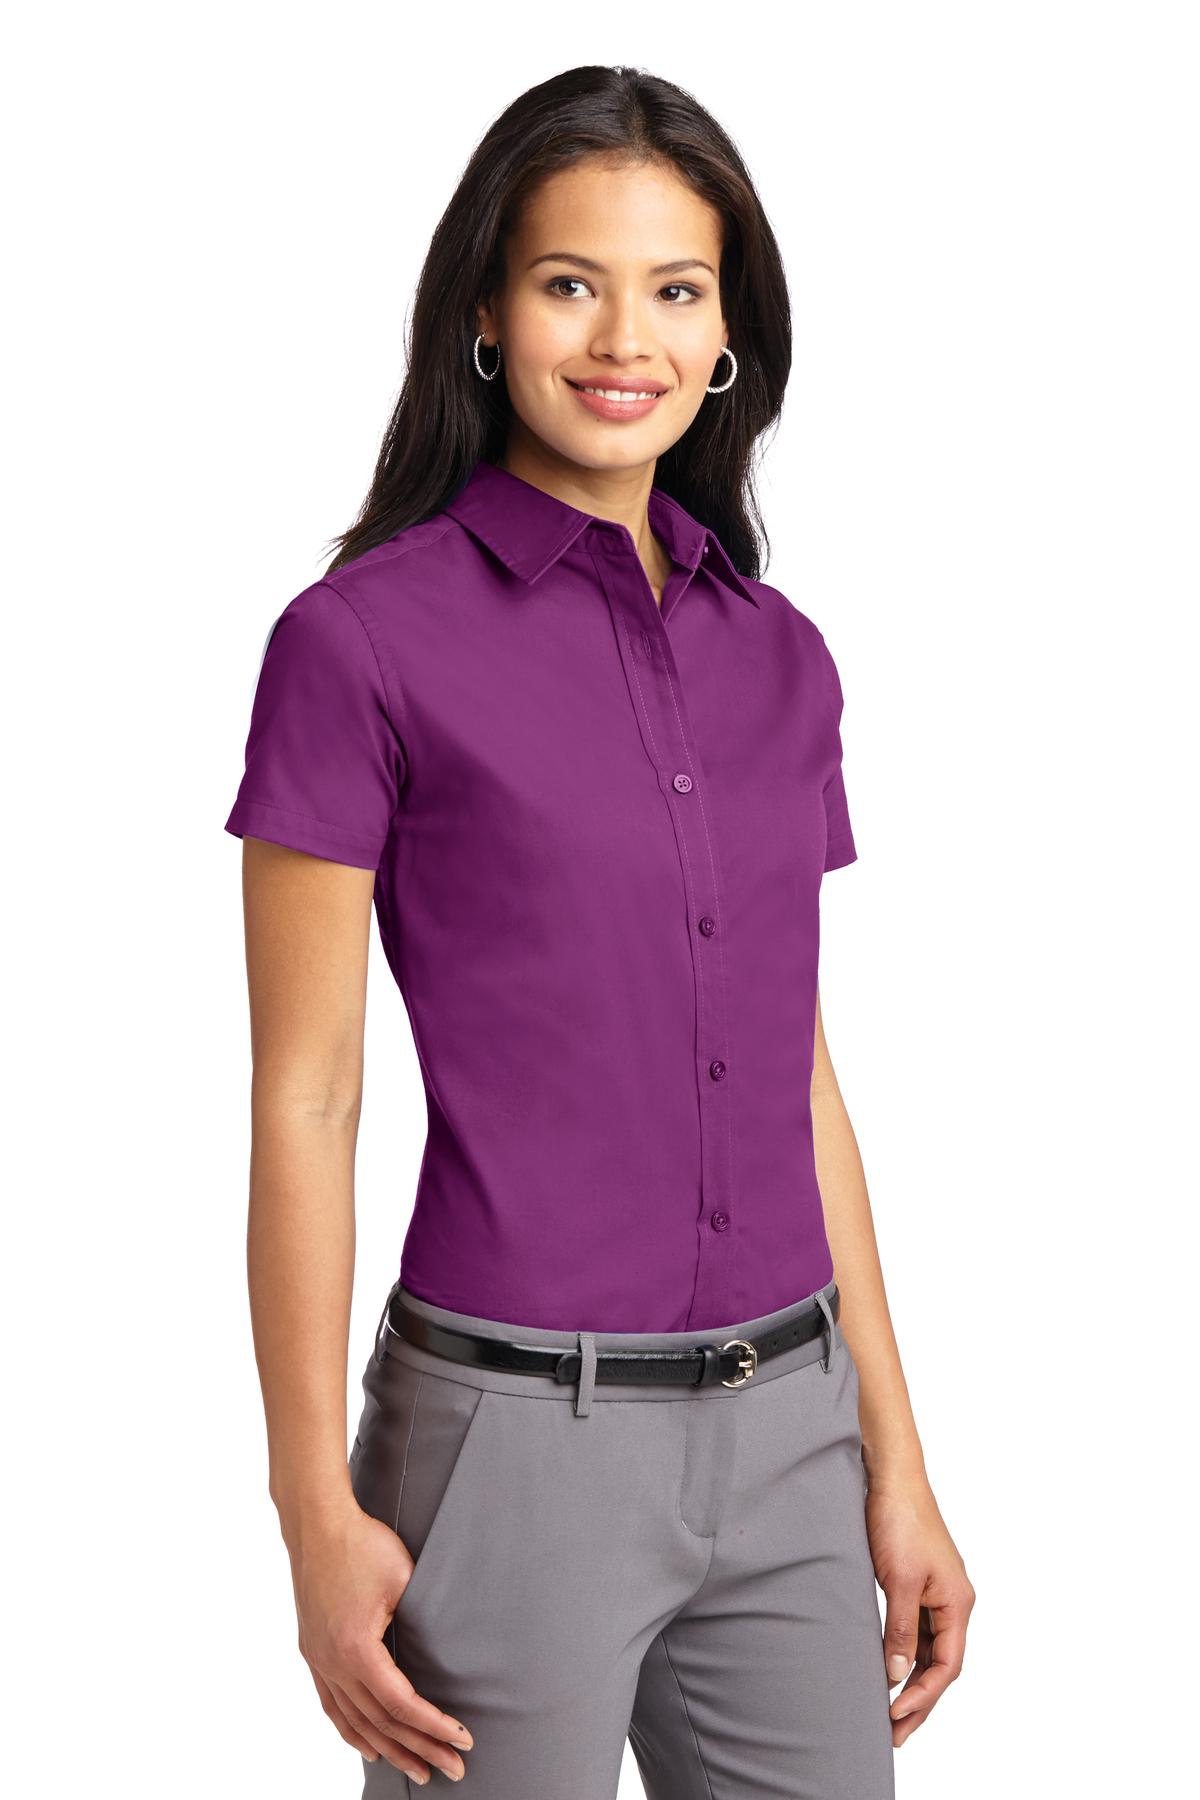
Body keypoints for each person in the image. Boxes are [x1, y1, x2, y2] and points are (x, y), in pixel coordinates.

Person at [224, 64, 974, 1799]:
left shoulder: (779, 654)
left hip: (793, 1434)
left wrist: (898, 1460)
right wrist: (309, 1509)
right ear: (487, 312)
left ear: (730, 335)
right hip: (512, 1447)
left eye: (677, 289)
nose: (626, 338)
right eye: (572, 281)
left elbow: (794, 1078)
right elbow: (306, 1099)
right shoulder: (357, 645)